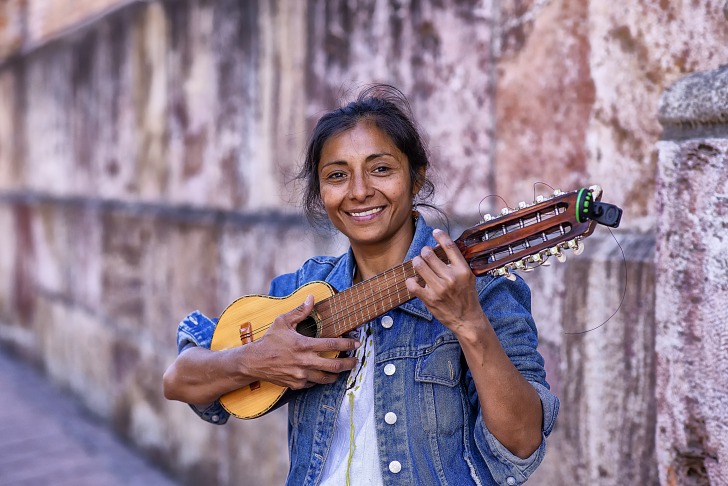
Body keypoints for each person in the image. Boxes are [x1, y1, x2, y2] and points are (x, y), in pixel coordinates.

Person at [163, 84, 559, 485]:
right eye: (337, 175)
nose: (359, 191)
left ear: (416, 177)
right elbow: (179, 380)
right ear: (320, 193)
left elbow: (521, 443)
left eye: (381, 169)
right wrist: (253, 360)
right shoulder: (302, 291)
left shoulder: (481, 290)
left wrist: (470, 324)